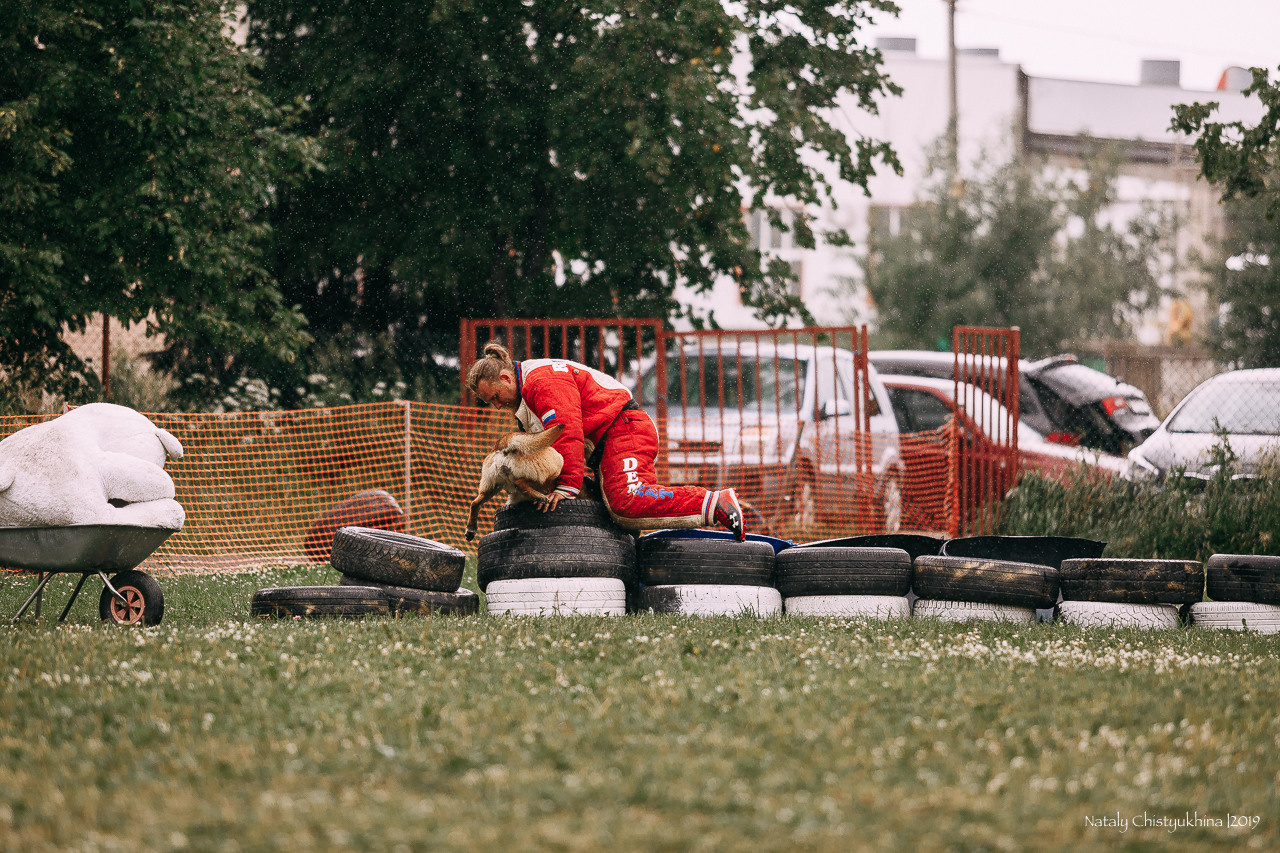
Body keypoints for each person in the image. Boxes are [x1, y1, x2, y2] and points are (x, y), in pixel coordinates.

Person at [466, 342, 745, 539]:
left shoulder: (541, 382)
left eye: (494, 397)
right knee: (609, 509)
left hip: (625, 429)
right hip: (608, 439)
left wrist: (566, 487)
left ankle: (716, 502)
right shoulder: (526, 390)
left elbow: (568, 432)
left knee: (625, 503)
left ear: (505, 377)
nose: (496, 406)